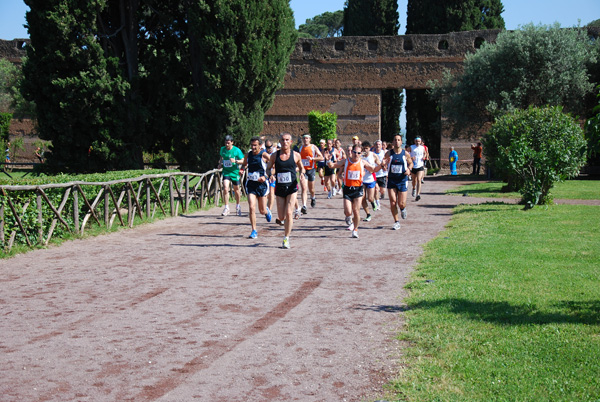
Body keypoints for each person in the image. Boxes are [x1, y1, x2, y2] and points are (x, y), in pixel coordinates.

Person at [326, 143, 377, 239]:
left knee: (356, 211)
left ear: (361, 153)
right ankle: (348, 217)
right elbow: (332, 165)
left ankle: (355, 230)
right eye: (354, 152)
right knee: (348, 211)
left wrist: (382, 165)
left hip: (358, 189)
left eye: (358, 153)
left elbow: (373, 169)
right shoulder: (345, 161)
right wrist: (328, 159)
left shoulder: (363, 162)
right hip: (347, 189)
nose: (356, 154)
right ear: (351, 152)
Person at [267, 132, 306, 249]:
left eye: (287, 140)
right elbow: (268, 168)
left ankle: (286, 238)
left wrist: (302, 174)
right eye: (283, 140)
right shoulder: (274, 156)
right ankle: (282, 221)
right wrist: (270, 175)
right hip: (279, 188)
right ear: (280, 141)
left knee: (289, 212)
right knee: (281, 216)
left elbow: (302, 168)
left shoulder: (296, 155)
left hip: (292, 187)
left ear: (291, 142)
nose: (285, 142)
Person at [242, 136, 272, 239]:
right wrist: (242, 170)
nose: (253, 147)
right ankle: (254, 230)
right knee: (251, 207)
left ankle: (267, 211)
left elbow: (274, 165)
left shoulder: (264, 155)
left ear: (260, 145)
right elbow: (244, 164)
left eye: (255, 145)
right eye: (252, 145)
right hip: (251, 184)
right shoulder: (248, 155)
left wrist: (266, 176)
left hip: (262, 185)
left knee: (262, 210)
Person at [382, 134, 414, 230]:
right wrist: (384, 165)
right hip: (392, 180)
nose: (397, 141)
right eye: (395, 140)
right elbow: (384, 162)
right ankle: (396, 221)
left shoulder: (405, 154)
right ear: (393, 142)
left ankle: (403, 209)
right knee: (392, 202)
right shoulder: (389, 153)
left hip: (402, 180)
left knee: (401, 203)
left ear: (401, 142)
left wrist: (409, 169)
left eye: (398, 140)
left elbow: (411, 163)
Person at [219, 135, 245, 216]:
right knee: (225, 188)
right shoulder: (222, 149)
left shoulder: (236, 150)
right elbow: (221, 157)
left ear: (232, 143)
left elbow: (243, 160)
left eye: (228, 143)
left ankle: (238, 206)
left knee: (236, 190)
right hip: (226, 172)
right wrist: (220, 163)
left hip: (234, 172)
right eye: (226, 143)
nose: (227, 145)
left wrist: (236, 161)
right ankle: (226, 207)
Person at [298, 133, 324, 213]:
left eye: (307, 138)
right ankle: (304, 206)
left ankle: (313, 197)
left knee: (311, 189)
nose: (305, 140)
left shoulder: (313, 147)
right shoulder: (301, 148)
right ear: (302, 139)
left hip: (311, 170)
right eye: (304, 138)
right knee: (304, 188)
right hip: (303, 171)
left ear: (310, 139)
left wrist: (313, 158)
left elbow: (321, 157)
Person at [360, 141, 382, 222]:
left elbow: (379, 164)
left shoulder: (373, 155)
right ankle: (368, 214)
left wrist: (380, 166)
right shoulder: (360, 156)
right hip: (362, 180)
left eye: (367, 148)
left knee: (370, 198)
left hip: (370, 179)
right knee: (362, 198)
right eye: (364, 148)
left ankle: (373, 202)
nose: (365, 150)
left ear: (370, 148)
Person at [410, 137, 426, 201]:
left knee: (419, 179)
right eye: (416, 141)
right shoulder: (411, 147)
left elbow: (425, 153)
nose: (418, 142)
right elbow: (407, 154)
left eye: (419, 141)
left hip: (420, 165)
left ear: (421, 142)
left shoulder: (422, 148)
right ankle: (414, 188)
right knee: (414, 181)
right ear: (414, 141)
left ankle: (418, 194)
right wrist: (411, 158)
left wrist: (424, 157)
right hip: (413, 166)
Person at [264, 139, 277, 212]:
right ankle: (266, 207)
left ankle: (269, 210)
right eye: (267, 147)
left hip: (274, 174)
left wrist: (271, 175)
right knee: (266, 193)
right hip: (266, 174)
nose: (268, 149)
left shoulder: (276, 153)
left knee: (272, 191)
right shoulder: (263, 153)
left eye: (270, 147)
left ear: (273, 146)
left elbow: (276, 167)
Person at [373, 140, 387, 205]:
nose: (378, 146)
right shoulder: (373, 154)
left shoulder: (384, 153)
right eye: (377, 144)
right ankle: (377, 203)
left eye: (379, 144)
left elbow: (387, 161)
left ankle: (382, 194)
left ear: (381, 146)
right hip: (375, 174)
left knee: (382, 190)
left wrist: (385, 166)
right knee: (376, 189)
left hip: (382, 174)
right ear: (375, 146)